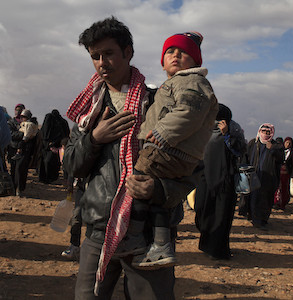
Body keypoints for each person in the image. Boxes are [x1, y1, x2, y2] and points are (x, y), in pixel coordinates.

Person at [63, 16, 202, 300]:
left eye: (108, 53)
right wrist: (94, 139)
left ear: (128, 52)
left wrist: (159, 190)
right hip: (98, 232)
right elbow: (72, 167)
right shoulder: (87, 113)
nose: (102, 62)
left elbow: (192, 168)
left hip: (149, 234)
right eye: (95, 56)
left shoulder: (160, 103)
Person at [115, 31, 218, 269]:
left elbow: (189, 113)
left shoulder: (192, 81)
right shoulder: (173, 84)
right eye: (170, 52)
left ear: (195, 61)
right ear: (162, 62)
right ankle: (160, 244)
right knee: (156, 198)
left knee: (138, 184)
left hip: (168, 149)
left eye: (184, 53)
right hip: (174, 150)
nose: (176, 55)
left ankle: (135, 238)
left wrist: (162, 132)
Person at [194, 104, 246, 260]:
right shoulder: (205, 130)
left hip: (224, 180)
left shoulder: (234, 130)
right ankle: (205, 244)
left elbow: (239, 150)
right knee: (201, 208)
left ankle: (217, 250)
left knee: (220, 216)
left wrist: (227, 135)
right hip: (205, 178)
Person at [243, 123, 284, 229]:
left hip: (268, 179)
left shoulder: (276, 146)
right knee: (252, 197)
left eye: (268, 132)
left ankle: (261, 220)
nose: (266, 134)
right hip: (253, 176)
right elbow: (246, 157)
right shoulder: (253, 143)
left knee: (265, 199)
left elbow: (281, 159)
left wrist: (272, 150)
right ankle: (252, 217)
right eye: (264, 131)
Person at [39, 109, 70, 183]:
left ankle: (46, 178)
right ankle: (51, 178)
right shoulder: (63, 122)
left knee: (46, 161)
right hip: (57, 146)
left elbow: (44, 132)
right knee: (52, 162)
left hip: (49, 145)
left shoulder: (52, 119)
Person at [274, 137, 293, 210]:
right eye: (287, 142)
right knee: (277, 187)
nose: (288, 144)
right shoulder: (280, 151)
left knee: (284, 188)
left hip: (286, 174)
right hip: (278, 172)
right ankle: (276, 202)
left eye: (289, 143)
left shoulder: (292, 152)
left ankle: (283, 203)